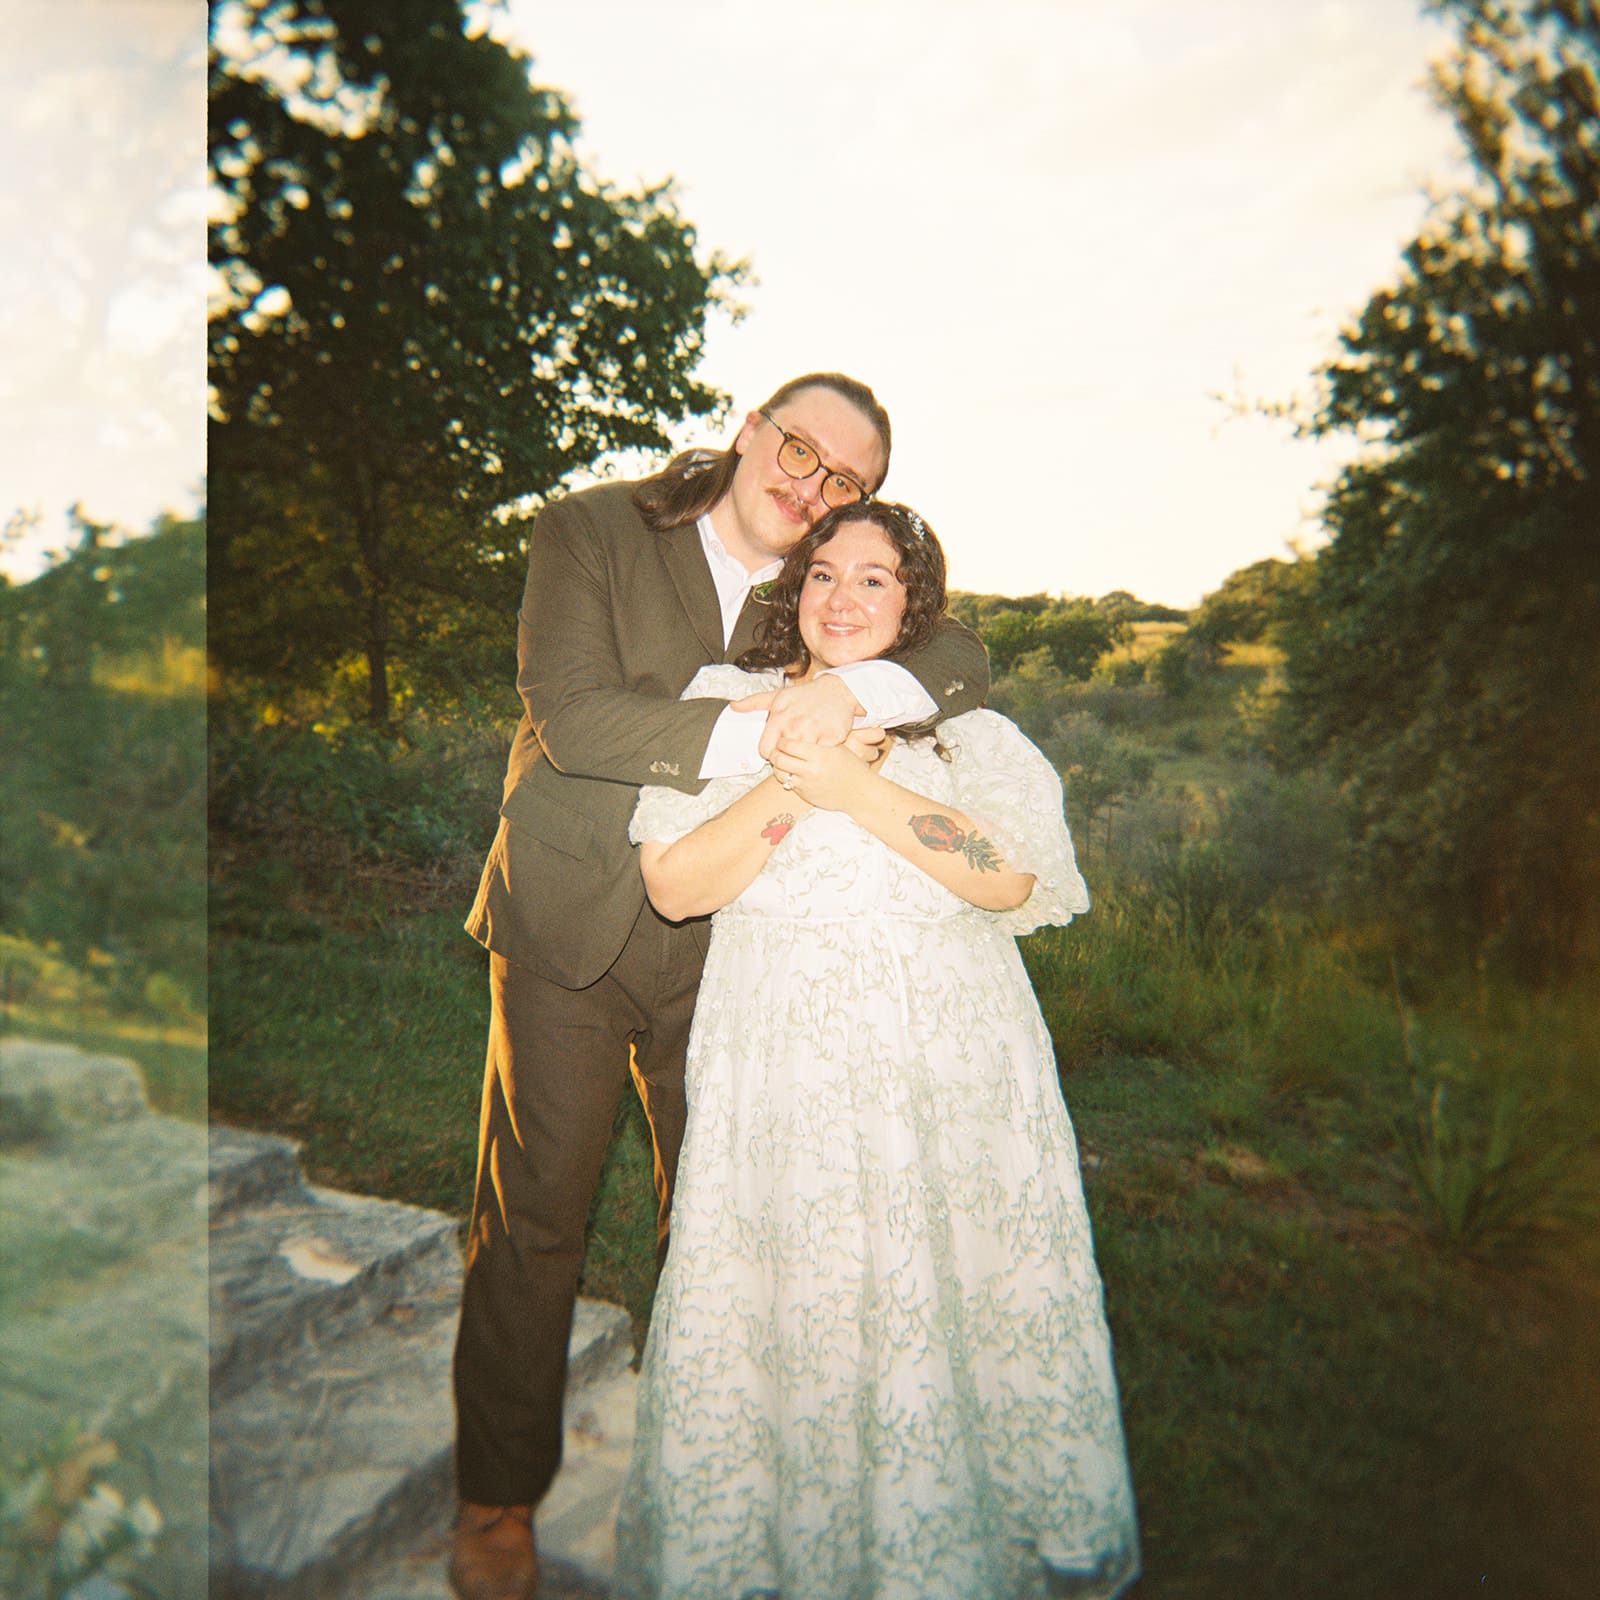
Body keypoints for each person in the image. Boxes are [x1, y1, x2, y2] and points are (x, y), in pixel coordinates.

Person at [448, 376, 990, 1600]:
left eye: (842, 479)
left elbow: (959, 648)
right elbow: (578, 719)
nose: (810, 484)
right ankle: (495, 1496)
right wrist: (787, 726)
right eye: (797, 448)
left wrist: (856, 687)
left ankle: (721, 1467)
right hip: (574, 928)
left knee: (729, 1216)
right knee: (536, 1217)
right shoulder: (591, 530)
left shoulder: (824, 583)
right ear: (750, 429)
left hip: (739, 936)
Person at [615, 502, 1140, 1600]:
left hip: (948, 1061)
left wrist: (857, 785)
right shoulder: (722, 712)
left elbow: (1005, 876)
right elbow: (675, 886)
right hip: (781, 1064)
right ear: (790, 592)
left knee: (955, 1283)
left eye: (875, 579)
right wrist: (790, 779)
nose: (842, 599)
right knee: (787, 1286)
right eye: (821, 575)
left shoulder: (971, 733)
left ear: (914, 606)